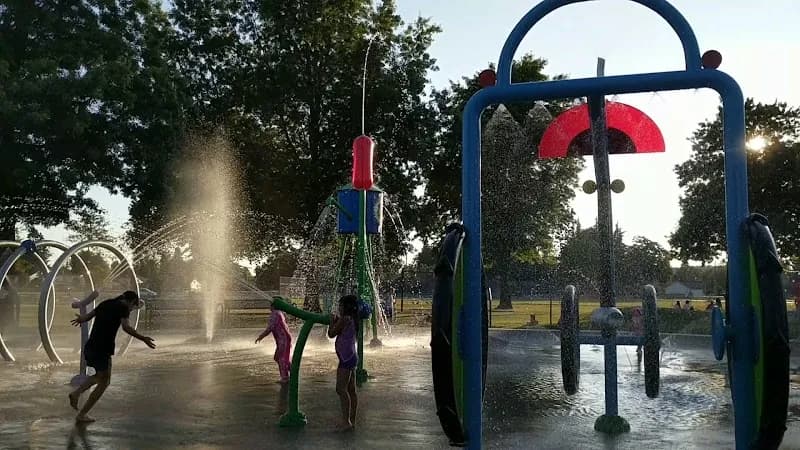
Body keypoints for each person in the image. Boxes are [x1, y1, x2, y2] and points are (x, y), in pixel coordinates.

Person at [68, 290, 155, 423]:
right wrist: (143, 338)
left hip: (91, 346)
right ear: (131, 302)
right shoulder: (124, 307)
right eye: (133, 307)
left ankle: (77, 394)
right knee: (105, 381)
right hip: (102, 349)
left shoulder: (106, 303)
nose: (131, 310)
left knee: (100, 377)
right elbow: (126, 327)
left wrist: (80, 319)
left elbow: (86, 317)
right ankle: (81, 412)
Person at [328, 294, 359, 431]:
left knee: (340, 389)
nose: (339, 308)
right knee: (351, 389)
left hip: (345, 359)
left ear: (345, 307)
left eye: (340, 305)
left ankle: (346, 422)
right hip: (351, 356)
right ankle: (351, 418)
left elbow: (331, 333)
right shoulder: (352, 319)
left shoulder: (344, 319)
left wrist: (331, 321)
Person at [255, 303, 292, 384]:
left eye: (270, 305)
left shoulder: (274, 314)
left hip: (283, 339)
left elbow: (270, 328)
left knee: (280, 358)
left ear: (273, 306)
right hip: (284, 338)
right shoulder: (279, 312)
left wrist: (261, 337)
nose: (269, 307)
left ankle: (285, 377)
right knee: (279, 357)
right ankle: (292, 371)